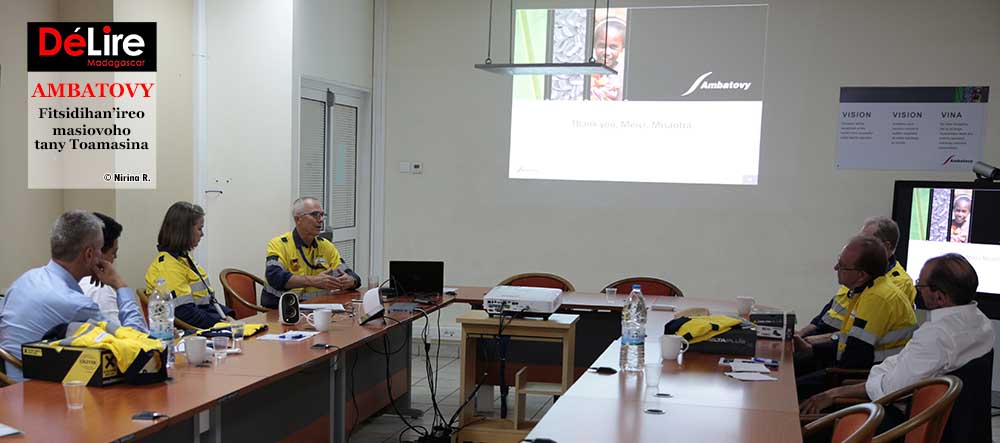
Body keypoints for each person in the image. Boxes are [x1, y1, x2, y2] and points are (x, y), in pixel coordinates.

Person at [800, 253, 993, 443]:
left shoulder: (937, 336)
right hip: (947, 427)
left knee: (806, 428)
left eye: (921, 285)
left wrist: (835, 393)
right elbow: (899, 366)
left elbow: (888, 391)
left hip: (903, 425)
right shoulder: (981, 322)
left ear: (940, 297)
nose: (918, 290)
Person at [0, 211, 148, 381]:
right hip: (42, 393)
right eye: (100, 250)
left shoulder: (24, 280)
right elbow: (137, 347)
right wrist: (119, 284)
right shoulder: (75, 304)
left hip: (9, 389)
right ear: (89, 255)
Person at [795, 235, 917, 399]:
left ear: (861, 275)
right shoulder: (867, 290)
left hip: (866, 379)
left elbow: (856, 357)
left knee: (790, 389)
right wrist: (811, 349)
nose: (835, 267)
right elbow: (849, 342)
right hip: (862, 372)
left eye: (843, 266)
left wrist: (814, 356)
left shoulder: (876, 298)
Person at [796, 217, 916, 344]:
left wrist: (814, 342)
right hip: (825, 335)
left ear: (886, 246)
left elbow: (863, 332)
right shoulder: (856, 270)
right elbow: (831, 309)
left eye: (866, 241)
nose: (858, 245)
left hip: (843, 343)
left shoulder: (899, 283)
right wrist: (801, 333)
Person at [145, 202, 234, 329]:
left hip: (204, 325)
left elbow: (206, 302)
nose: (202, 234)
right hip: (189, 334)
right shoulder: (167, 266)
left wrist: (226, 317)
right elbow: (185, 314)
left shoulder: (184, 259)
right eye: (199, 229)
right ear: (184, 231)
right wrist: (219, 323)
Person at [262, 197, 361, 308]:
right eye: (315, 215)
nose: (320, 220)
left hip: (318, 309)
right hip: (282, 310)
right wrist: (313, 281)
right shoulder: (279, 244)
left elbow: (353, 276)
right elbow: (274, 277)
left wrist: (350, 281)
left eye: (322, 215)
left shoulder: (326, 246)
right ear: (298, 219)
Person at [78, 212, 144, 330]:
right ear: (94, 253)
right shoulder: (100, 289)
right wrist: (120, 284)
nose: (115, 257)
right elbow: (132, 338)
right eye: (113, 252)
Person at [590, 18, 626, 101]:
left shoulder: (622, 76)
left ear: (621, 48)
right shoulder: (588, 72)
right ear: (594, 45)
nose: (606, 52)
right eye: (602, 46)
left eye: (613, 47)